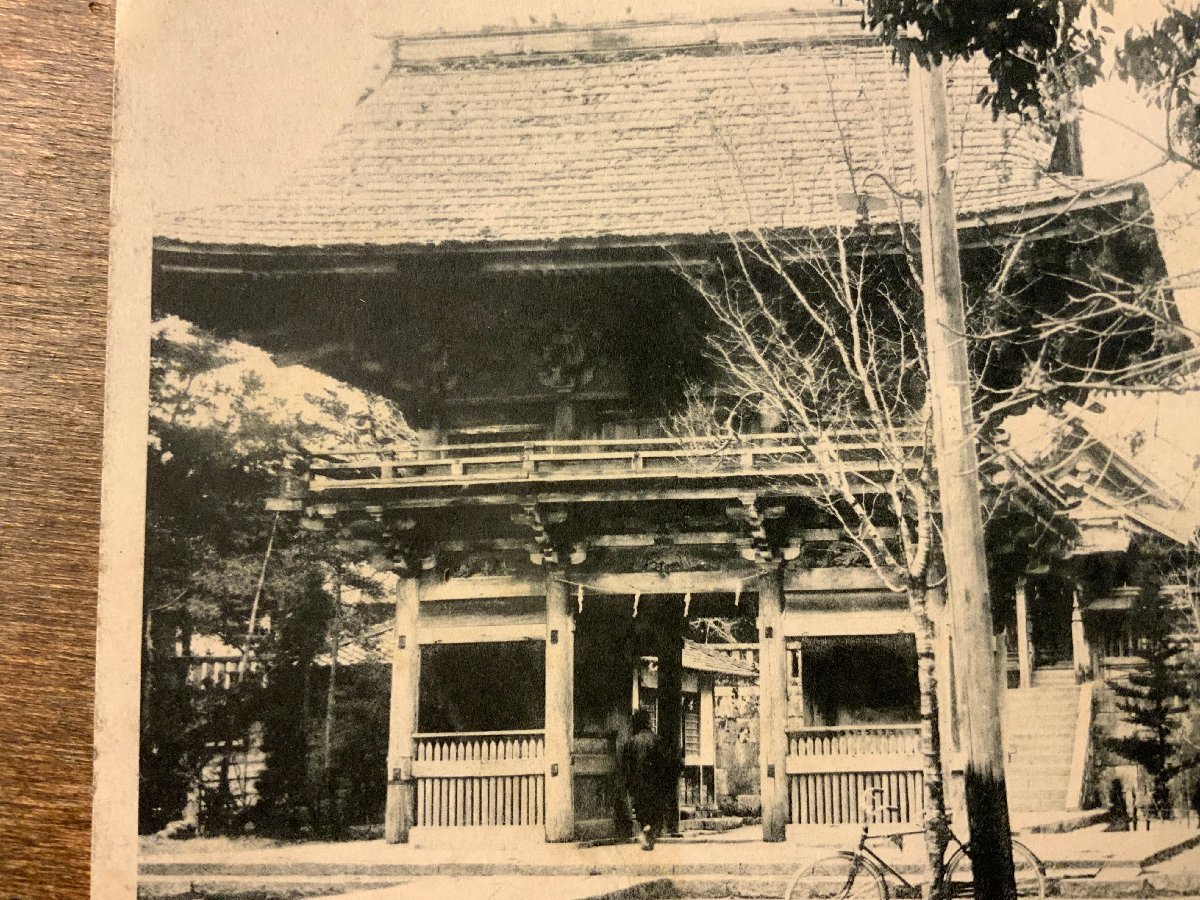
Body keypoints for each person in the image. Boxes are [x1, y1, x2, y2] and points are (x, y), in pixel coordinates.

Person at [619, 709, 671, 850]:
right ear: (648, 722)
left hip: (637, 786)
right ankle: (649, 834)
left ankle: (646, 831)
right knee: (655, 813)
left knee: (642, 813)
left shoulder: (630, 743)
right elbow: (664, 764)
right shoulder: (657, 740)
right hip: (654, 785)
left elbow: (626, 767)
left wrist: (629, 784)